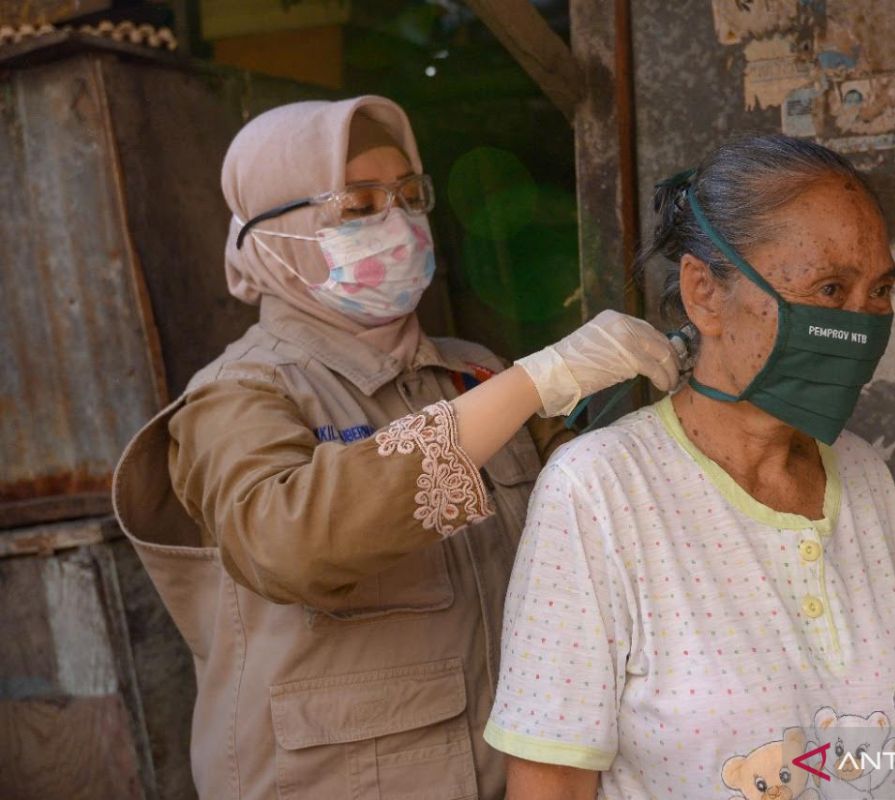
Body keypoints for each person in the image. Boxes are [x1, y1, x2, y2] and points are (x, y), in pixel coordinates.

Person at [111, 96, 680, 800]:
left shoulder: (470, 371)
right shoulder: (236, 394)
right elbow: (286, 543)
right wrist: (539, 379)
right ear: (278, 233)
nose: (399, 223)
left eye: (410, 196)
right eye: (359, 206)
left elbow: (589, 510)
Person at [484, 135, 895, 800]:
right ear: (704, 293)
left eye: (880, 290)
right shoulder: (599, 490)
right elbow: (551, 785)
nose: (862, 323)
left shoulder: (863, 474)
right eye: (829, 288)